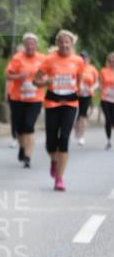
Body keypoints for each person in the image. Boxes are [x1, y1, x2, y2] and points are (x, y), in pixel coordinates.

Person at [33, 30, 84, 191]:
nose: (64, 44)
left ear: (72, 43)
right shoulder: (49, 60)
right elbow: (36, 81)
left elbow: (79, 81)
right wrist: (45, 81)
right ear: (57, 43)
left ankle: (59, 178)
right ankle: (54, 161)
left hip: (70, 102)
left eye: (67, 41)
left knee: (64, 139)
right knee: (50, 142)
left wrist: (79, 91)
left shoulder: (78, 61)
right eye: (61, 41)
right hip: (52, 102)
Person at [5, 33, 45, 169]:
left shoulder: (42, 59)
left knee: (29, 125)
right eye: (27, 43)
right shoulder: (17, 58)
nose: (30, 46)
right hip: (18, 98)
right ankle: (22, 147)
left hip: (35, 98)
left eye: (32, 43)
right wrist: (18, 76)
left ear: (36, 45)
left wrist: (42, 81)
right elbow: (8, 75)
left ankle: (28, 156)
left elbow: (48, 76)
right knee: (19, 128)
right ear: (24, 45)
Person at [75, 51, 99, 146]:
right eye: (81, 58)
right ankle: (76, 129)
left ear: (88, 59)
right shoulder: (76, 67)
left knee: (83, 115)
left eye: (84, 58)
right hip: (75, 94)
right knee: (75, 115)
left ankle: (81, 137)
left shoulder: (92, 69)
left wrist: (93, 87)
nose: (83, 59)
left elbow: (97, 82)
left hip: (87, 94)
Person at [99, 52, 114, 149]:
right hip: (105, 99)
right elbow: (100, 84)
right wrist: (104, 90)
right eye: (110, 61)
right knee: (108, 120)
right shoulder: (103, 71)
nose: (112, 63)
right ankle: (108, 140)